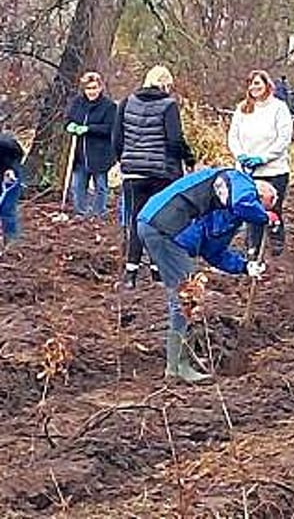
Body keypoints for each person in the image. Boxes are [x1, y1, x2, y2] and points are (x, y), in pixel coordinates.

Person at [138, 167, 278, 382]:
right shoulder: (239, 180)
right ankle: (177, 367)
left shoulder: (228, 213)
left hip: (163, 230)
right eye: (262, 204)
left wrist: (245, 267)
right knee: (187, 298)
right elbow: (243, 202)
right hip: (162, 225)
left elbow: (213, 252)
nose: (256, 213)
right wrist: (264, 217)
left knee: (186, 298)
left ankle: (180, 362)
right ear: (259, 195)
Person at [113, 65, 196, 289]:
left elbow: (117, 138)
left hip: (133, 172)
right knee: (158, 221)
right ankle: (156, 270)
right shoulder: (168, 105)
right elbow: (175, 140)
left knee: (135, 220)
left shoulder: (126, 102)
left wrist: (124, 160)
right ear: (166, 84)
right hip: (162, 173)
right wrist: (189, 158)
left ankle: (130, 273)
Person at [228, 69, 294, 256]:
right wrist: (240, 155)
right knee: (251, 211)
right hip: (248, 171)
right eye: (250, 84)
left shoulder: (279, 108)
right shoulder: (242, 108)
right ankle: (252, 250)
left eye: (257, 83)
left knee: (273, 210)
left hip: (273, 170)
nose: (253, 87)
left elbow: (283, 139)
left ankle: (276, 249)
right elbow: (233, 136)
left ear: (267, 85)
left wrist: (263, 158)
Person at [64, 71, 117, 217]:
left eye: (94, 88)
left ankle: (99, 213)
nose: (91, 92)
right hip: (79, 153)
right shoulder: (78, 103)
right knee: (77, 186)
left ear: (100, 88)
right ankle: (81, 212)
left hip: (100, 153)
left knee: (100, 186)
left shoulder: (109, 106)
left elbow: (110, 128)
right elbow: (69, 119)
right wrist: (70, 126)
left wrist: (89, 129)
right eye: (88, 88)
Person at [0, 133, 25, 250]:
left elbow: (18, 155)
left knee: (7, 209)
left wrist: (11, 170)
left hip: (10, 175)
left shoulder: (6, 145)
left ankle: (12, 243)